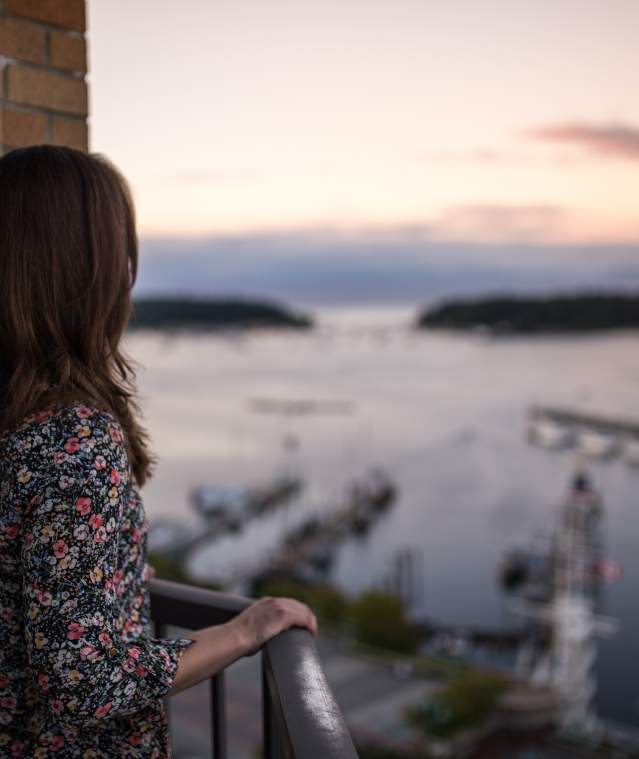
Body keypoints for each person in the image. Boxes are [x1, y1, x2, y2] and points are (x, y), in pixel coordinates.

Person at [0, 145, 318, 758]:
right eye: (118, 256)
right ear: (82, 275)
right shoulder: (73, 441)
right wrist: (244, 630)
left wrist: (115, 576)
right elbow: (86, 683)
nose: (126, 277)